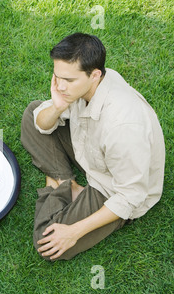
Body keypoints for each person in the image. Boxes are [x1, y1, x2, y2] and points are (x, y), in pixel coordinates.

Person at [20, 33, 165, 260]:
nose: (60, 86)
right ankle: (69, 184)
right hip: (93, 151)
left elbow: (131, 195)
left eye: (69, 80)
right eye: (57, 77)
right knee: (34, 113)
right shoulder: (88, 85)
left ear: (95, 75)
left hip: (112, 188)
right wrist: (58, 107)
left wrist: (73, 232)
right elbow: (40, 121)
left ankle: (58, 184)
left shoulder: (124, 127)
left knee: (45, 240)